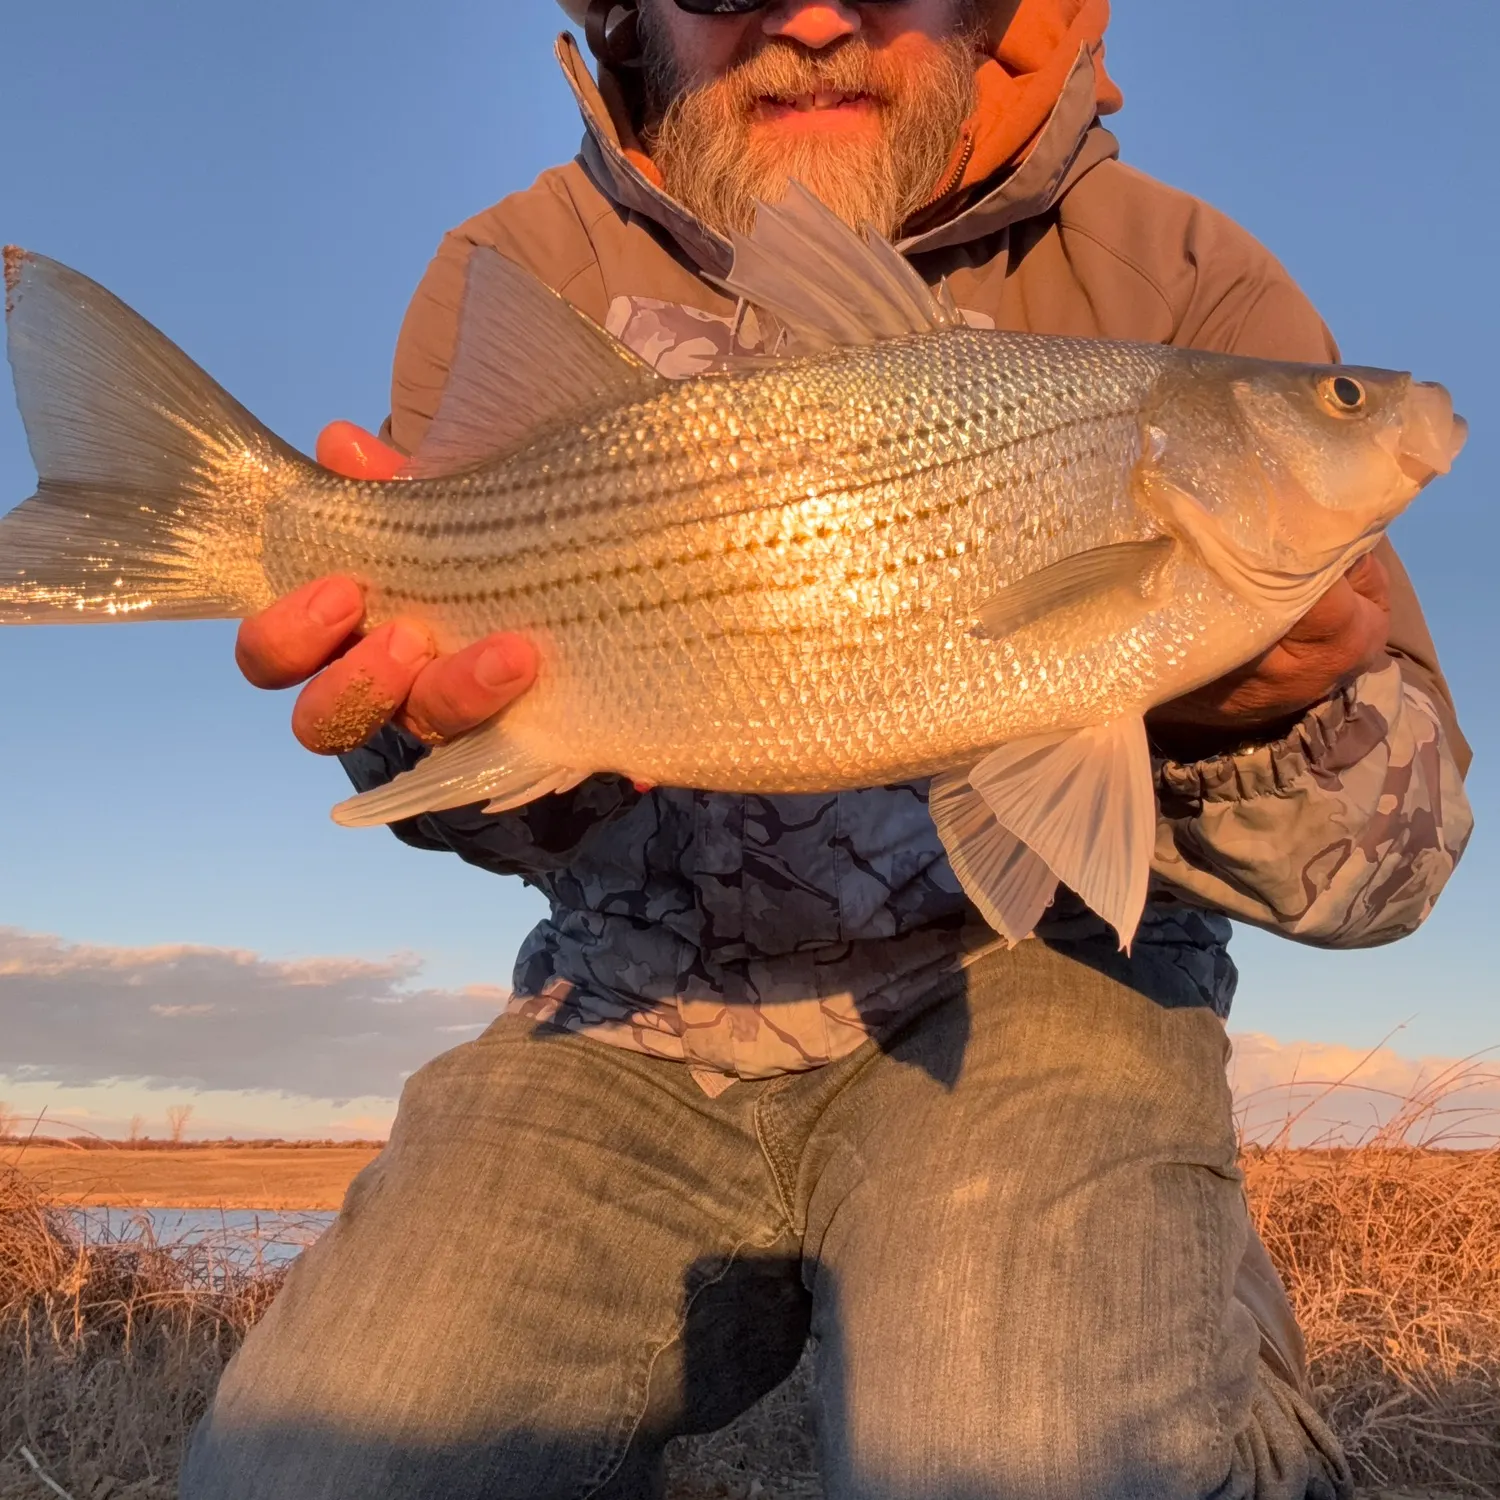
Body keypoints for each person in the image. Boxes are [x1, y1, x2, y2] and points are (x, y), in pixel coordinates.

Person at [182, 2, 1473, 1496]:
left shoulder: (1186, 275)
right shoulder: (513, 262)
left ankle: (1232, 1414)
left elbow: (1390, 878)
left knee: (1032, 1462)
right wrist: (410, 727)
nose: (808, 17)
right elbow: (459, 792)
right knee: (310, 1471)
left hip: (1046, 988)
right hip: (629, 1009)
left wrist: (1256, 716)